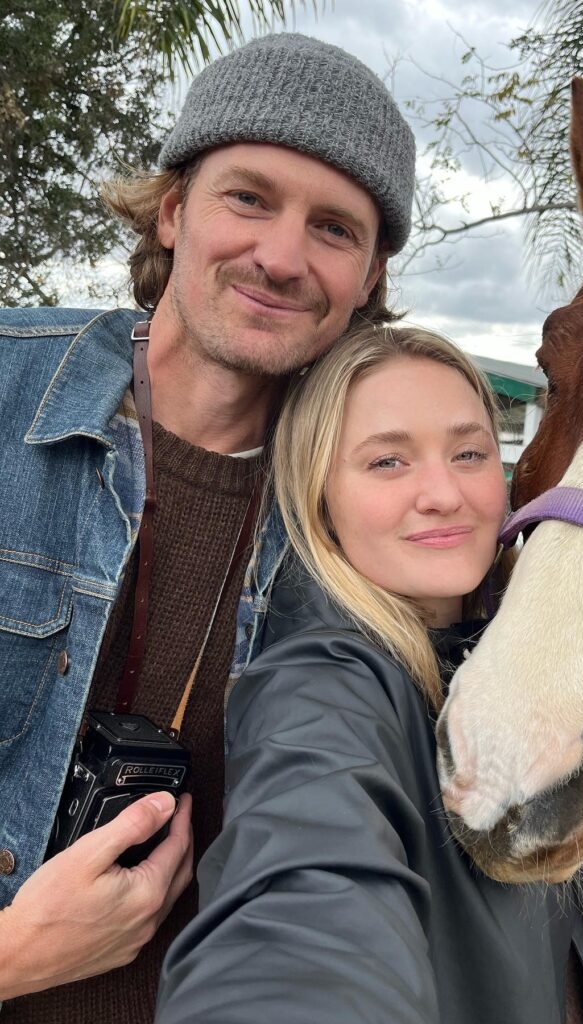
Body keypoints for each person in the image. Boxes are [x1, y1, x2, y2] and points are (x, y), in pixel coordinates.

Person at [0, 33, 415, 1023]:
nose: (280, 256)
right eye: (249, 198)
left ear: (367, 279)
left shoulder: (369, 522)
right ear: (176, 209)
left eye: (333, 228)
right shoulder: (12, 392)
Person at [155, 325, 583, 1024]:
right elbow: (306, 891)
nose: (442, 493)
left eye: (468, 453)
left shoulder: (510, 657)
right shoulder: (320, 685)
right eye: (386, 463)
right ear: (319, 499)